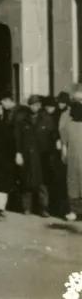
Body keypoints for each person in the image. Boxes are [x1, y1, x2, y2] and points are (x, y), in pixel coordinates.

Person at [61, 89, 82, 221]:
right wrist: (64, 154)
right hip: (74, 159)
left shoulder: (69, 124)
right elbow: (64, 142)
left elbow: (64, 144)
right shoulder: (67, 122)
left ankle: (77, 212)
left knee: (77, 184)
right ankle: (75, 211)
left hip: (77, 159)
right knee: (74, 184)